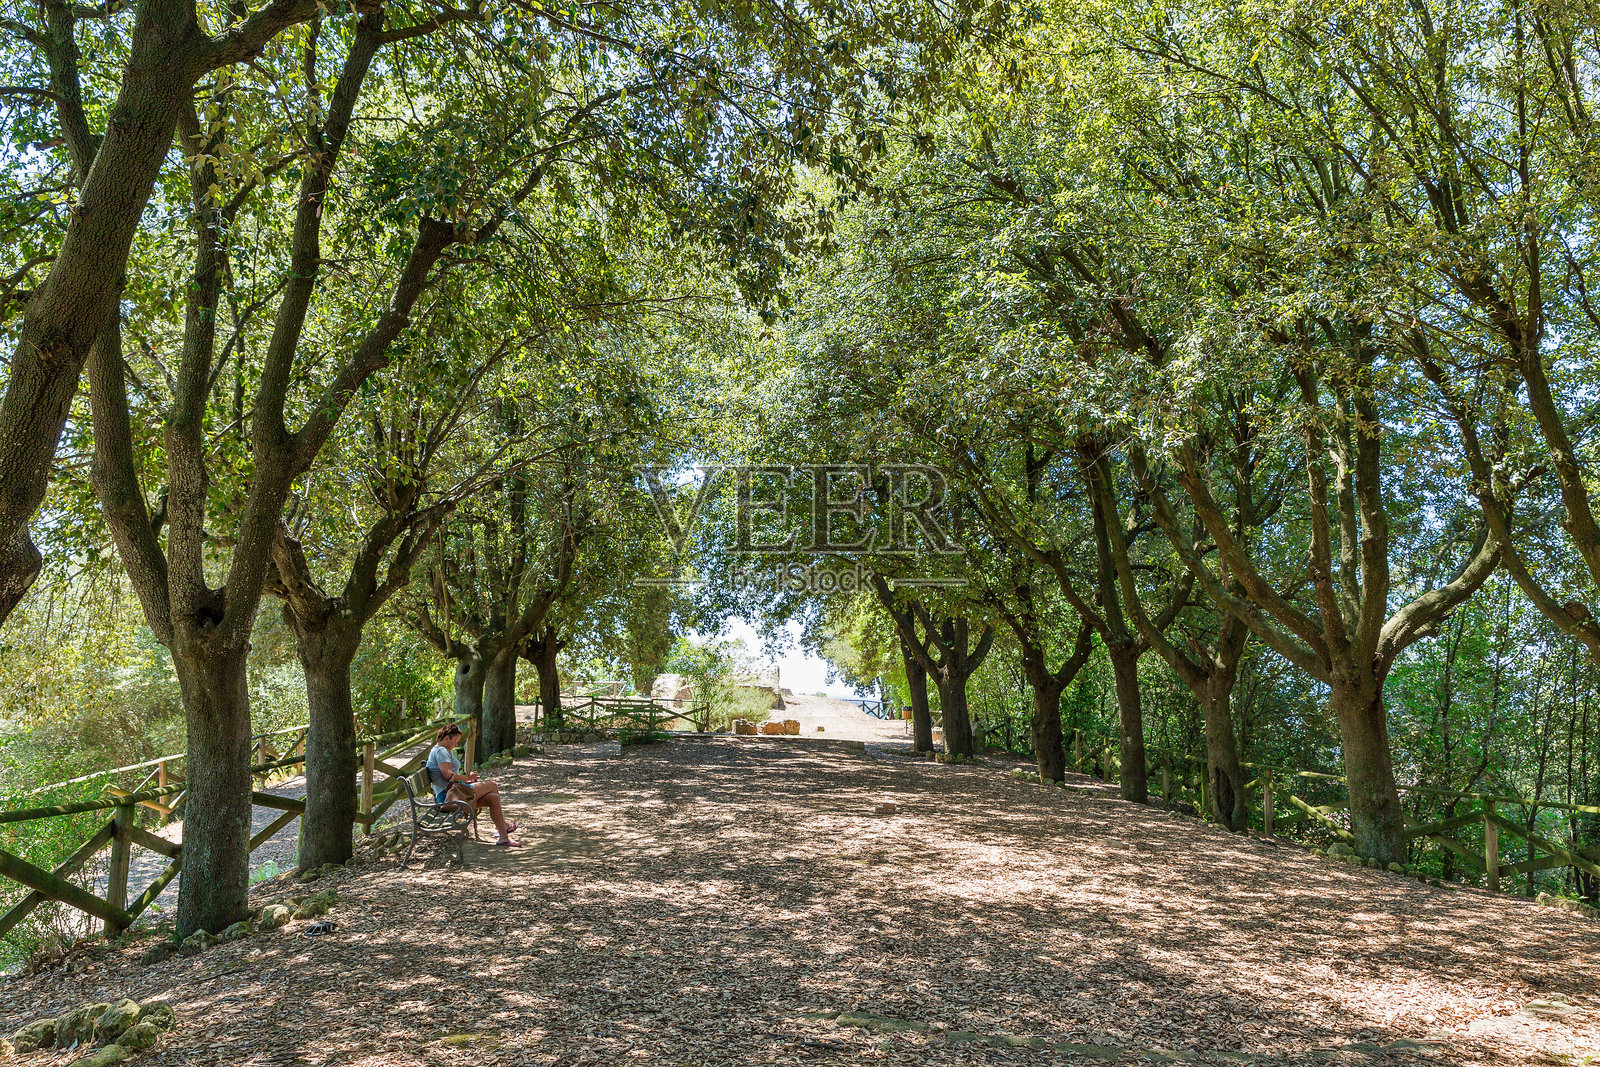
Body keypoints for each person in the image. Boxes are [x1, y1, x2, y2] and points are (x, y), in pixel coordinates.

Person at [425, 724, 520, 846]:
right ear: (447, 737)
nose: (456, 744)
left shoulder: (441, 750)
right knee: (492, 785)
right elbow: (447, 775)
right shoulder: (441, 751)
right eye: (455, 741)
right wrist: (467, 778)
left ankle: (503, 838)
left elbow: (450, 778)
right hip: (447, 798)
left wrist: (465, 781)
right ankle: (504, 826)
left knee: (493, 798)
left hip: (454, 793)